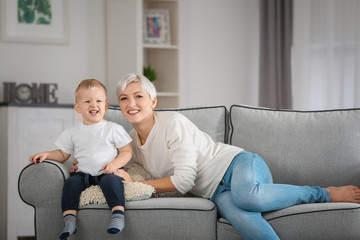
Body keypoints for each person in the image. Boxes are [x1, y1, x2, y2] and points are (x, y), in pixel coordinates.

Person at [72, 74, 360, 240]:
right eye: (124, 98)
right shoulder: (130, 141)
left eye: (138, 96)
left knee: (248, 197)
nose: (131, 103)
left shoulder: (173, 123)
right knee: (243, 218)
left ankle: (322, 193)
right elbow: (121, 164)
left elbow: (184, 181)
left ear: (153, 101)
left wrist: (142, 186)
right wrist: (88, 164)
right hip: (215, 192)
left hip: (239, 165)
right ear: (118, 106)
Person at [30, 79, 132, 239]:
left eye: (99, 101)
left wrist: (114, 164)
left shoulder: (113, 129)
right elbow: (63, 155)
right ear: (78, 107)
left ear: (105, 106)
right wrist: (48, 154)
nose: (94, 104)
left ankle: (118, 216)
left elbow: (126, 152)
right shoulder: (72, 131)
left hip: (107, 173)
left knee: (112, 182)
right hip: (83, 174)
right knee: (70, 184)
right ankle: (69, 220)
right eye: (87, 101)